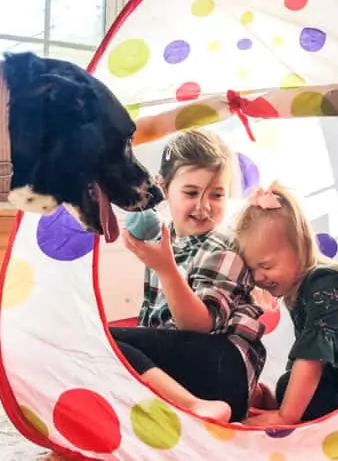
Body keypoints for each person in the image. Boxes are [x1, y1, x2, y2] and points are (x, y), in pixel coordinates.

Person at [110, 129, 265, 424]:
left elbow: (200, 324)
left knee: (108, 341)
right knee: (101, 345)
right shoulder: (166, 241)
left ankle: (195, 405)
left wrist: (166, 270)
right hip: (199, 367)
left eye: (217, 195)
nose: (203, 206)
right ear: (164, 188)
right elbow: (155, 324)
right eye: (191, 193)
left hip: (223, 366)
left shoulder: (223, 245)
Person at [233, 183, 338, 427]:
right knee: (288, 385)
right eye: (252, 269)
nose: (257, 278)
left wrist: (285, 416)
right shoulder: (296, 293)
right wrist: (281, 399)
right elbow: (306, 355)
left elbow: (313, 355)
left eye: (266, 266)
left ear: (300, 247)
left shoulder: (322, 280)